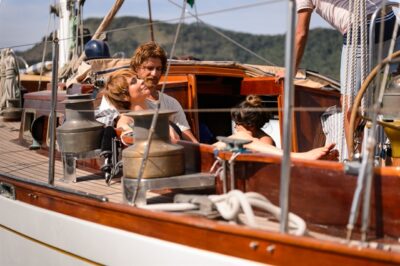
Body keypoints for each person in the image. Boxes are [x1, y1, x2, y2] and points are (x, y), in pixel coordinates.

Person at [276, 1, 400, 159]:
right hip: (390, 21)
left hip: (362, 28)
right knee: (394, 91)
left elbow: (301, 32)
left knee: (350, 104)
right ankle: (396, 155)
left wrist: (291, 69)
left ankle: (352, 159)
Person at [214, 95, 338, 160]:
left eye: (237, 123)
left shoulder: (259, 140)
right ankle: (302, 156)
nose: (235, 127)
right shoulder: (249, 139)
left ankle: (303, 157)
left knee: (241, 138)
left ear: (250, 125)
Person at [130, 41, 199, 143]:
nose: (154, 74)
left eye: (158, 69)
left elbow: (189, 138)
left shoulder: (171, 103)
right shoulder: (126, 99)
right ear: (137, 69)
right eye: (150, 68)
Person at [95, 68, 180, 141]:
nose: (142, 81)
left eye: (138, 78)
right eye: (133, 82)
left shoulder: (154, 112)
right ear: (124, 96)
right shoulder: (126, 119)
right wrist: (164, 128)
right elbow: (126, 133)